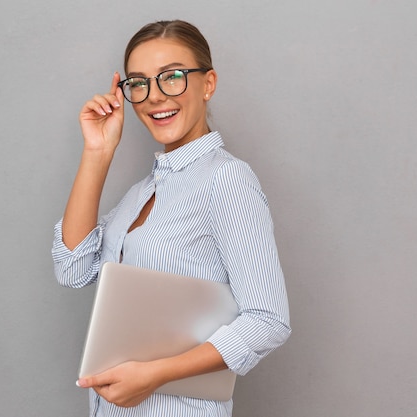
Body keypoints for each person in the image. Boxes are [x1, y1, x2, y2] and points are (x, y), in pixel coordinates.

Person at [52, 19, 291, 417]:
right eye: (139, 83)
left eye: (173, 77)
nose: (155, 96)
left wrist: (155, 375)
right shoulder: (142, 193)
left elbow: (269, 320)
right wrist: (97, 153)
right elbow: (72, 268)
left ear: (208, 83)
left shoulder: (226, 179)